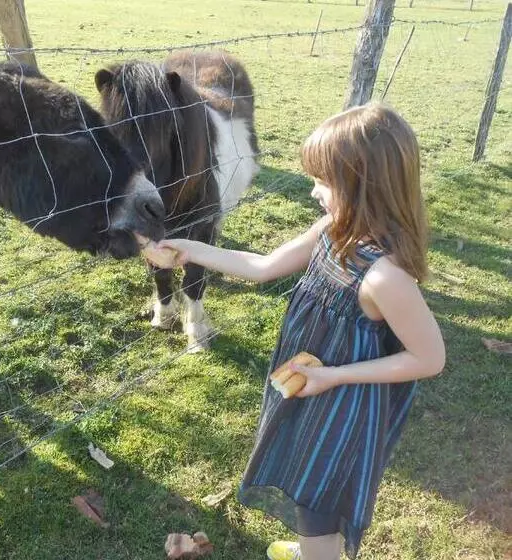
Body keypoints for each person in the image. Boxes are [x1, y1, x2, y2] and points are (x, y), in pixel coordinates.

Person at [151, 102, 446, 560]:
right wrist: (190, 249)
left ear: (362, 186)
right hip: (309, 385)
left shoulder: (385, 277)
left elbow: (429, 358)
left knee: (318, 497)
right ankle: (316, 548)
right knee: (305, 476)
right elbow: (264, 266)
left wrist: (333, 377)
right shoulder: (334, 229)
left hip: (340, 404)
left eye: (323, 182)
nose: (313, 192)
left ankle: (318, 551)